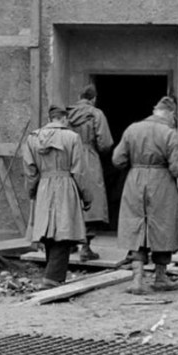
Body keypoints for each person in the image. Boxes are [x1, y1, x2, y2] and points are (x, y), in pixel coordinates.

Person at [112, 95, 178, 293]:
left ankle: (137, 280)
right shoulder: (169, 133)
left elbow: (117, 160)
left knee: (136, 227)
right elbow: (176, 168)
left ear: (154, 111)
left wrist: (135, 165)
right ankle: (160, 277)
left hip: (135, 181)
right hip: (161, 182)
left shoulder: (132, 129)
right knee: (162, 227)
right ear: (171, 114)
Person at [22, 104, 92, 290]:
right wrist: (86, 196)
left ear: (50, 118)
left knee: (48, 230)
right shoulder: (72, 137)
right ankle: (52, 278)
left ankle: (52, 277)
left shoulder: (33, 138)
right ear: (64, 119)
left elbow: (30, 171)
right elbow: (79, 171)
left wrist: (31, 192)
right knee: (64, 231)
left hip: (43, 186)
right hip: (66, 186)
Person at [67, 84, 114, 261]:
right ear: (93, 99)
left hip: (70, 158)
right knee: (91, 201)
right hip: (89, 158)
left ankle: (70, 243)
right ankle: (86, 247)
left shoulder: (67, 113)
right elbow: (105, 142)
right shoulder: (96, 114)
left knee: (72, 199)